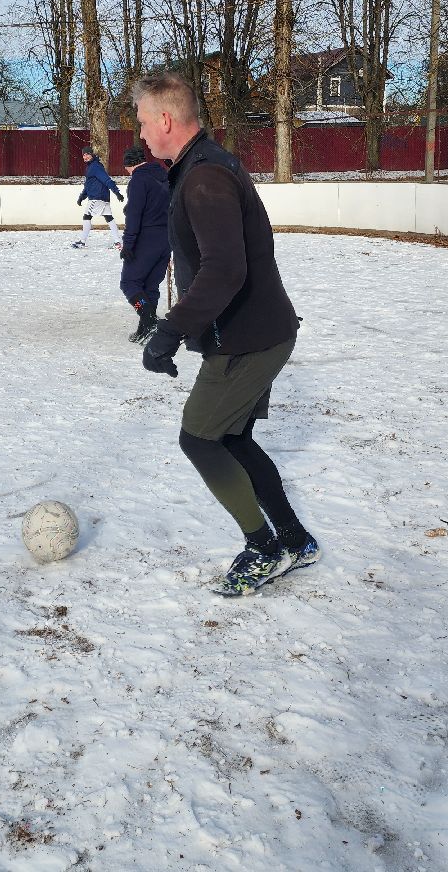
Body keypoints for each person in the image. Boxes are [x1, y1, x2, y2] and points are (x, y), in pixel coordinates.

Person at [133, 71, 317, 596]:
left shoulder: (204, 178)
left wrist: (169, 331)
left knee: (200, 439)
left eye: (145, 122)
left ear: (166, 119)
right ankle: (296, 538)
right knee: (233, 437)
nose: (141, 134)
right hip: (260, 330)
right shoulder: (202, 164)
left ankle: (265, 548)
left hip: (247, 339)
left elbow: (224, 270)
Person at [118, 143, 171, 343]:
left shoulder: (138, 180)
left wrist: (128, 245)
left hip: (146, 239)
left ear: (130, 165)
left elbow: (134, 215)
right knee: (150, 285)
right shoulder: (164, 176)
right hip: (166, 239)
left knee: (130, 283)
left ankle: (148, 320)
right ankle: (145, 329)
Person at [73, 148, 123, 249]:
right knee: (109, 218)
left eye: (87, 154)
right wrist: (82, 197)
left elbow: (106, 180)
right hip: (103, 197)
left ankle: (82, 241)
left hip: (97, 198)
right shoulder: (92, 167)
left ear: (92, 155)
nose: (85, 157)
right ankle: (118, 242)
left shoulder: (95, 167)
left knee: (87, 217)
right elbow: (89, 185)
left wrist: (117, 192)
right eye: (84, 155)